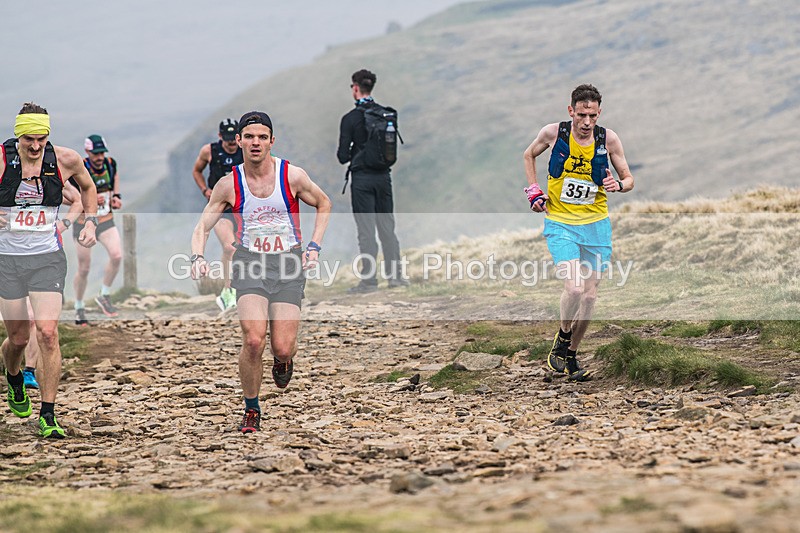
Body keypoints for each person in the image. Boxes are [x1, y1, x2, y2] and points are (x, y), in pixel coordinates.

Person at [191, 111, 331, 434]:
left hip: (287, 264)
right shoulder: (228, 184)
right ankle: (252, 408)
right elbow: (203, 225)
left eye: (262, 137)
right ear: (238, 140)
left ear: (271, 141)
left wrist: (314, 246)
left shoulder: (291, 176)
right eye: (249, 137)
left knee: (282, 346)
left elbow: (324, 203)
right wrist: (197, 256)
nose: (256, 143)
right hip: (250, 263)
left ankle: (284, 359)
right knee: (254, 340)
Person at [523, 84, 635, 382]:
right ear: (571, 110)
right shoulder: (553, 133)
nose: (587, 122)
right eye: (582, 115)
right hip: (560, 222)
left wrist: (619, 186)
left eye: (593, 116)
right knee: (574, 289)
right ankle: (562, 337)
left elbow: (628, 178)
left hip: (596, 226)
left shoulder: (607, 139)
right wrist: (534, 191)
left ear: (599, 113)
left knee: (589, 297)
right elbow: (528, 155)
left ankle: (570, 355)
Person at [1, 102, 98, 438]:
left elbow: (87, 188)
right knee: (17, 337)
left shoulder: (65, 159)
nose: (36, 145)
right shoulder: (1, 160)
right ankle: (14, 378)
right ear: (17, 136)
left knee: (47, 333)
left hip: (46, 257)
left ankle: (48, 413)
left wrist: (89, 223)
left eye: (42, 138)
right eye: (29, 138)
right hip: (7, 260)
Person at [337, 68, 407, 293]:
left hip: (362, 180)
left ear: (355, 88)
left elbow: (342, 157)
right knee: (387, 228)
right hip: (384, 178)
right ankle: (395, 278)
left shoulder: (350, 119)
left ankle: (369, 281)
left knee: (366, 231)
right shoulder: (385, 114)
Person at [70, 134, 122, 324]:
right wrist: (89, 201)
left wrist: (116, 196)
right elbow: (72, 197)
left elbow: (114, 178)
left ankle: (104, 294)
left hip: (106, 219)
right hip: (84, 223)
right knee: (84, 268)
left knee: (116, 256)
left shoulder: (110, 163)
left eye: (101, 153)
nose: (99, 157)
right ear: (87, 152)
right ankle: (79, 306)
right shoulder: (78, 168)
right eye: (95, 153)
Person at [192, 119, 244, 311]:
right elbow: (196, 170)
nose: (231, 143)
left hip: (241, 206)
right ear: (220, 136)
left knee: (246, 248)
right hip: (220, 207)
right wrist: (204, 189)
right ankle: (228, 292)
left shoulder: (245, 149)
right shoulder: (209, 151)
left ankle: (247, 289)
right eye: (228, 139)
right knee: (230, 248)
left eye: (234, 139)